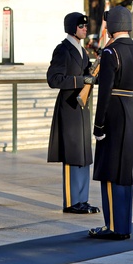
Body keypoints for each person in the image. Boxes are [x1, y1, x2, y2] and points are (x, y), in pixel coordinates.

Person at [89, 5, 133, 240]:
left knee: (110, 172)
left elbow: (104, 92)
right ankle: (123, 225)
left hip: (114, 112)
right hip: (131, 113)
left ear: (112, 27)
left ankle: (113, 226)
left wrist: (99, 125)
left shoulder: (110, 53)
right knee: (126, 172)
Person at [47, 12, 99, 215]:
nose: (85, 28)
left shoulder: (81, 50)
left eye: (86, 25)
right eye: (82, 26)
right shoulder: (63, 50)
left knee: (83, 153)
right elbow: (54, 79)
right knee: (72, 154)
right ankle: (71, 202)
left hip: (82, 106)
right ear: (72, 28)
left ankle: (82, 200)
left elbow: (88, 75)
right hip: (69, 107)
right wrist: (80, 81)